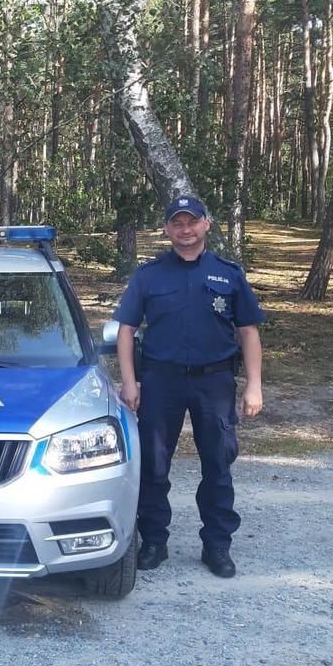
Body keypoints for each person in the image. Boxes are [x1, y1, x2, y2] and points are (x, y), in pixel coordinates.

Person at [113, 195, 264, 578]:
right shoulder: (149, 276)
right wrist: (129, 381)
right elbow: (126, 331)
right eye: (177, 223)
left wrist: (254, 386)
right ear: (167, 229)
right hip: (161, 381)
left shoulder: (228, 274)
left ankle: (216, 545)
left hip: (214, 382)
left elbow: (248, 331)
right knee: (153, 465)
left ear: (206, 225)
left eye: (191, 222)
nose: (185, 229)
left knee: (217, 465)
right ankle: (154, 541)